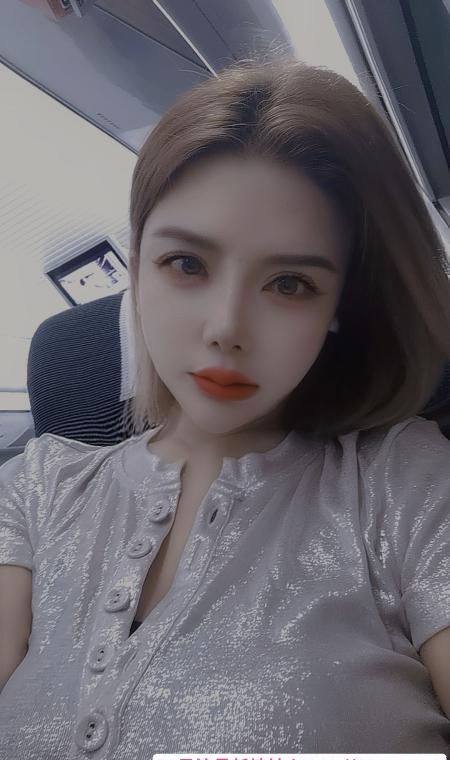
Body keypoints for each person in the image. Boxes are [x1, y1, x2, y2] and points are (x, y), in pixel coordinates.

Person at [1, 49, 450, 757]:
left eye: (290, 284)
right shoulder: (36, 489)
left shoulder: (406, 486)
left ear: (340, 306)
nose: (226, 328)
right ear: (138, 267)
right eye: (186, 264)